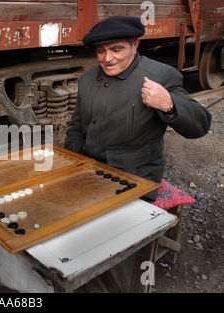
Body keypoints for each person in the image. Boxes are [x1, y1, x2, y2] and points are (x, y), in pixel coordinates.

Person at [64, 15, 212, 200]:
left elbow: (201, 125)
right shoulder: (87, 79)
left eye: (117, 49)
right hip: (90, 168)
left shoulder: (161, 76)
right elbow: (77, 127)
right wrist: (70, 165)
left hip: (135, 175)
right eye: (101, 51)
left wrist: (169, 104)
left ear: (136, 45)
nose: (107, 58)